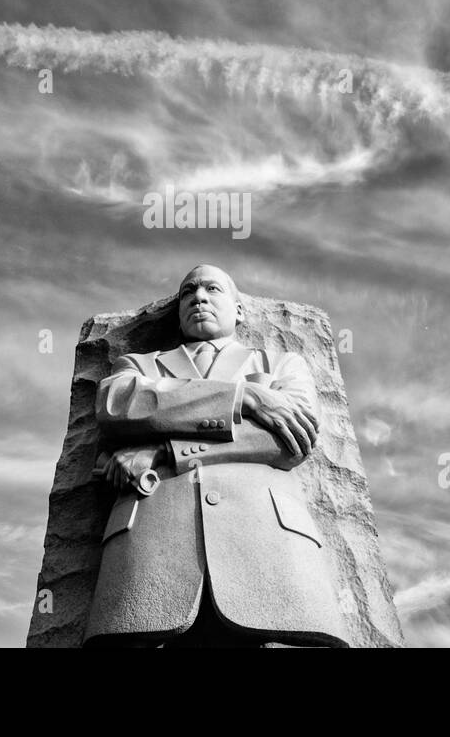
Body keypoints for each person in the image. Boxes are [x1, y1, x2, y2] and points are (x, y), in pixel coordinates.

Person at [82, 264, 349, 647]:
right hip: (151, 546)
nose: (199, 297)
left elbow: (290, 442)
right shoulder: (139, 366)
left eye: (212, 288)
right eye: (188, 291)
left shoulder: (280, 364)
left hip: (266, 543)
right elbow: (119, 406)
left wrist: (163, 450)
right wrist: (244, 398)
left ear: (239, 310)